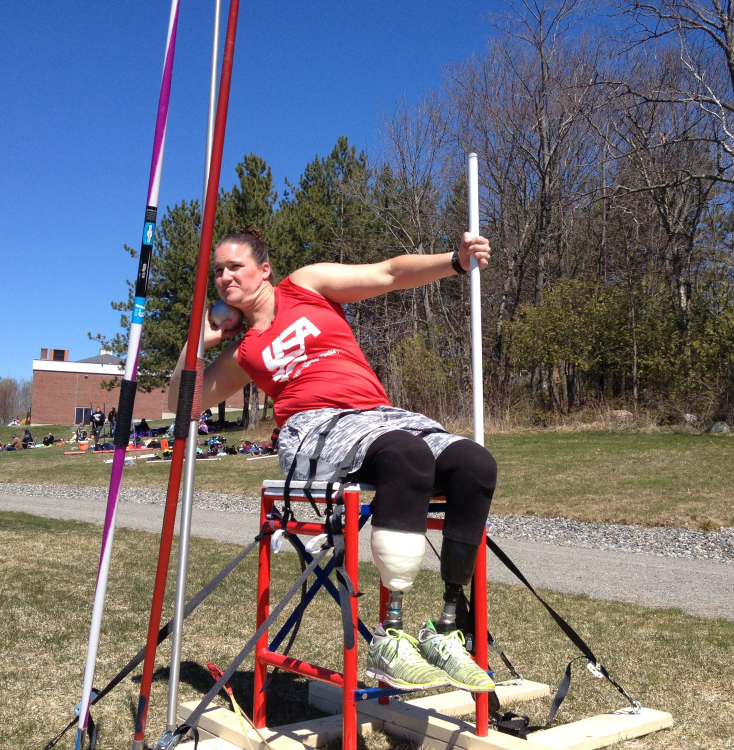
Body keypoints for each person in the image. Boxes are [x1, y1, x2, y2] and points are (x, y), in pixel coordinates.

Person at [169, 226, 496, 693]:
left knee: (474, 464)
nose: (224, 277)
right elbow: (184, 404)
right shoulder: (244, 351)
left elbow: (386, 274)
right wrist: (195, 343)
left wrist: (456, 261)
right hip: (311, 429)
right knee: (406, 455)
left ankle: (447, 625)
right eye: (217, 271)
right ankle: (391, 638)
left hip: (377, 415)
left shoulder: (306, 284)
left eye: (234, 266)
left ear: (264, 270)